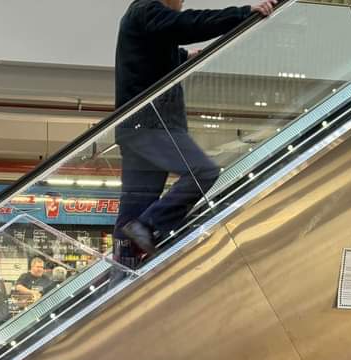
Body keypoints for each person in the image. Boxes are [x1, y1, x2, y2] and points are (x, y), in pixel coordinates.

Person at [113, 0, 276, 260]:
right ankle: (150, 224)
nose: (181, 3)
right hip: (154, 125)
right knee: (203, 171)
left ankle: (117, 283)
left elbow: (146, 56)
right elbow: (187, 24)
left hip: (136, 128)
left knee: (131, 213)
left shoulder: (139, 17)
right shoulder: (147, 10)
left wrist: (182, 57)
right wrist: (242, 14)